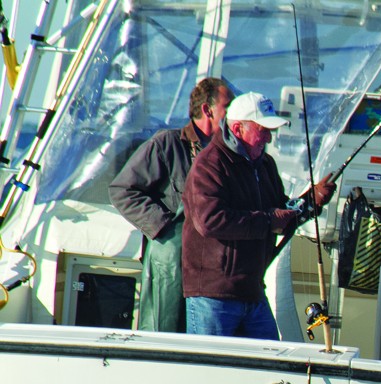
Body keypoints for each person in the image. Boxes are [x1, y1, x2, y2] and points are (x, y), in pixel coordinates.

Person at [181, 91, 336, 339]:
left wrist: (310, 202)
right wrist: (269, 220)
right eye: (262, 129)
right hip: (213, 295)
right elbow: (209, 221)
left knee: (270, 368)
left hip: (252, 290)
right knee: (210, 373)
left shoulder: (265, 165)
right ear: (238, 128)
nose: (269, 137)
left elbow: (280, 213)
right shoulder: (209, 164)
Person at [109, 77, 234, 332]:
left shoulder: (229, 155)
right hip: (172, 267)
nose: (233, 113)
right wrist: (167, 229)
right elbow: (122, 190)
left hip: (213, 273)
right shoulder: (167, 144)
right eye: (227, 106)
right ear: (207, 110)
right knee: (163, 333)